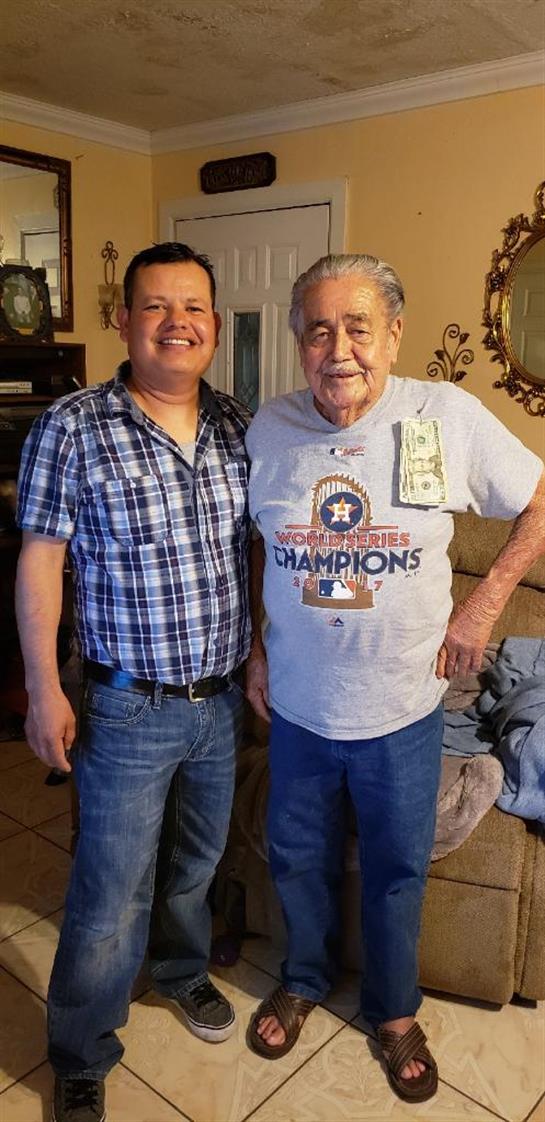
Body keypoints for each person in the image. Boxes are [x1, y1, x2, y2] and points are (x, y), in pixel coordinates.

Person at [244, 253, 545, 1103]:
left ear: (394, 334)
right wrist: (258, 653)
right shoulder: (269, 429)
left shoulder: (442, 415)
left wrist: (481, 610)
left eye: (357, 327)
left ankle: (391, 1010)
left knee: (395, 869)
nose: (338, 349)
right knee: (296, 856)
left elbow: (539, 499)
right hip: (300, 709)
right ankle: (303, 978)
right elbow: (259, 541)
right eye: (318, 331)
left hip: (402, 711)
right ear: (300, 343)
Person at [15, 242, 251, 1122]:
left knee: (193, 866)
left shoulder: (238, 424)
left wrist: (259, 656)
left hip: (221, 701)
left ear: (215, 326)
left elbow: (254, 554)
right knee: (109, 889)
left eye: (192, 306)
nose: (175, 322)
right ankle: (81, 1046)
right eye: (155, 306)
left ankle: (181, 973)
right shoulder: (72, 425)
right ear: (124, 321)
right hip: (126, 702)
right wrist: (44, 688)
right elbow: (41, 562)